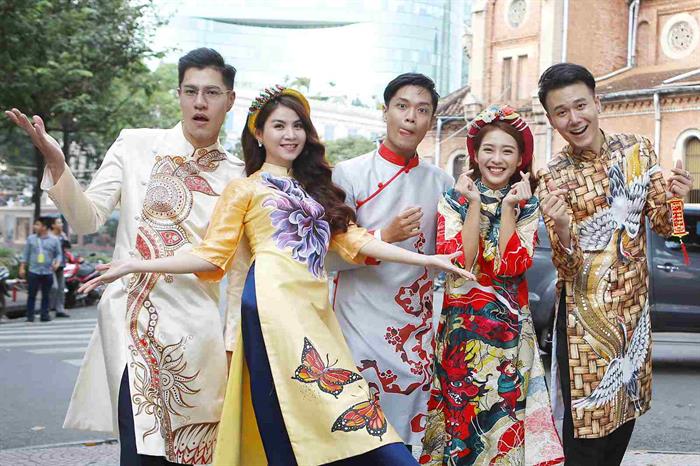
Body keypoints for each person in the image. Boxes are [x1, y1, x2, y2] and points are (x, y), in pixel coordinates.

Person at [79, 85, 475, 466]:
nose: (290, 134)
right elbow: (210, 256)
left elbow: (355, 240)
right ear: (259, 133)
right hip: (270, 309)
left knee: (319, 413)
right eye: (279, 126)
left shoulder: (317, 189)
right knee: (326, 409)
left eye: (298, 125)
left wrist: (428, 260)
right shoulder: (244, 189)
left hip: (314, 313)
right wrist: (137, 264)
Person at [6, 48, 250, 465]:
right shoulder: (135, 144)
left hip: (197, 335)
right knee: (138, 452)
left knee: (192, 455)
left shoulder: (239, 175)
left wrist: (233, 348)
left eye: (212, 93)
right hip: (131, 323)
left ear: (229, 100)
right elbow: (87, 218)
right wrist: (58, 165)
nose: (200, 102)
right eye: (190, 91)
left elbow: (239, 274)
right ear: (178, 95)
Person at [536, 63, 694, 466]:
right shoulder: (552, 177)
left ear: (597, 102)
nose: (574, 119)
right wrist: (562, 228)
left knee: (622, 425)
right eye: (561, 112)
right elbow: (567, 267)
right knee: (585, 438)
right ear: (551, 120)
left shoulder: (638, 150)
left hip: (633, 320)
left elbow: (669, 228)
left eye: (580, 105)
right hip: (583, 329)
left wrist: (678, 199)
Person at [420, 105, 563, 465]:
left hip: (511, 334)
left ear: (520, 160)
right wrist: (473, 204)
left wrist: (510, 208)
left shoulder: (527, 205)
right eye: (489, 149)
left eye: (507, 151)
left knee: (505, 423)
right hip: (461, 333)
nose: (496, 159)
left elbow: (509, 265)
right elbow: (462, 265)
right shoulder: (453, 200)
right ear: (475, 153)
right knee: (461, 425)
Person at [330, 73, 453, 451]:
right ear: (385, 112)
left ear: (431, 120)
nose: (411, 117)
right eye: (402, 106)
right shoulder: (349, 174)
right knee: (354, 439)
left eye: (422, 110)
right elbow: (330, 257)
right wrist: (384, 235)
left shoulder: (442, 183)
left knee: (404, 443)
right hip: (357, 328)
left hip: (414, 335)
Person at [20, 217, 62, 322]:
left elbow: (59, 254)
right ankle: (30, 316)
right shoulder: (31, 239)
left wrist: (57, 263)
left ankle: (44, 315)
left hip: (48, 271)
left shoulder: (54, 240)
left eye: (37, 224)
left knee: (46, 295)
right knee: (31, 294)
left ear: (44, 227)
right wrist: (22, 268)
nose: (35, 227)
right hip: (33, 271)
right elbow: (25, 254)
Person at [49, 216, 70, 318]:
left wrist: (64, 236)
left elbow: (68, 246)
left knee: (61, 289)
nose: (61, 225)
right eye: (58, 223)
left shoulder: (61, 236)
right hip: (50, 266)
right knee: (54, 287)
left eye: (61, 223)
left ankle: (60, 309)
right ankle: (49, 307)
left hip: (61, 265)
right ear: (53, 225)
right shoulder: (49, 236)